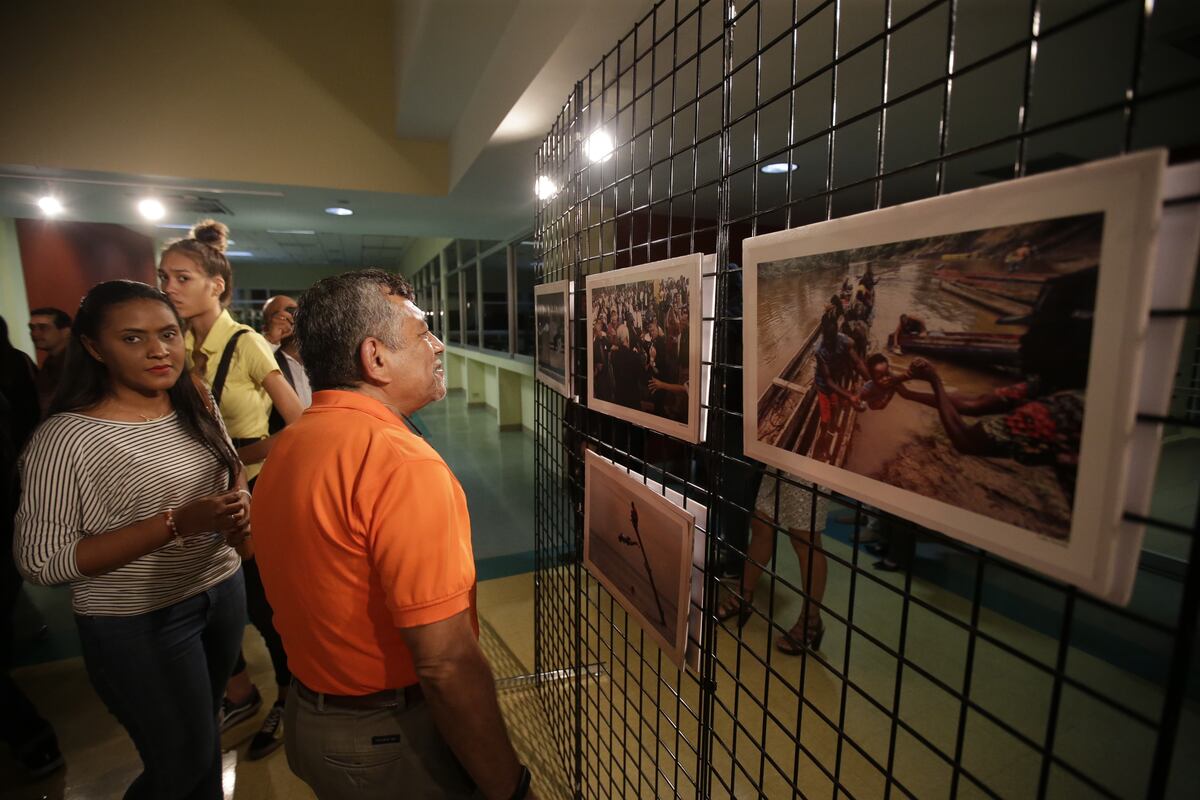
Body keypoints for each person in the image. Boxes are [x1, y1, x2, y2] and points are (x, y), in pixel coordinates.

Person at [251, 270, 536, 800]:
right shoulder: (399, 462)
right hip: (386, 740)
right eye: (423, 332)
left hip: (314, 717)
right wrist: (510, 788)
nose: (438, 345)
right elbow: (445, 661)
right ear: (375, 357)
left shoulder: (293, 443)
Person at [13, 280, 251, 798]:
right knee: (179, 765)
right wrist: (173, 524)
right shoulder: (66, 438)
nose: (158, 349)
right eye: (133, 338)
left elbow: (231, 469)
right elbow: (42, 561)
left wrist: (239, 504)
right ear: (95, 348)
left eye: (168, 334)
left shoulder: (196, 402)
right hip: (139, 621)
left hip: (221, 590)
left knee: (204, 738)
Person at [158, 219, 304, 760]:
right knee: (204, 601)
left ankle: (290, 697)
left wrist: (234, 456)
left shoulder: (245, 345)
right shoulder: (170, 347)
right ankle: (239, 691)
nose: (168, 287)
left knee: (263, 605)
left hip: (250, 496)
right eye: (164, 276)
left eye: (181, 277)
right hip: (192, 500)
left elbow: (298, 424)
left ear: (215, 284)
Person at [716, 473, 831, 654]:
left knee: (805, 538)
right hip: (780, 455)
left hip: (811, 462)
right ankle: (743, 594)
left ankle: (811, 619)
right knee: (762, 522)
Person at [27, 307, 71, 413]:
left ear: (66, 331)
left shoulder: (77, 362)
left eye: (43, 328)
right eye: (32, 328)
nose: (34, 333)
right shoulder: (51, 361)